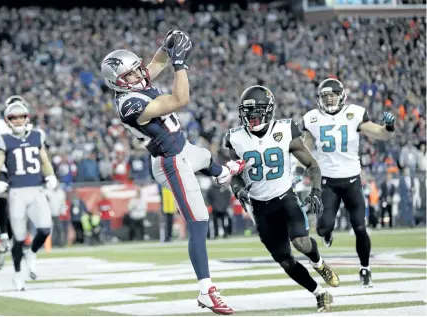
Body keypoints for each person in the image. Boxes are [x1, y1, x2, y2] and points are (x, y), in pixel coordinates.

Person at [100, 30, 243, 315]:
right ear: (117, 82)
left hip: (182, 149)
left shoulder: (135, 83)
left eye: (136, 69)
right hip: (170, 161)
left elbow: (157, 63)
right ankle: (206, 291)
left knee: (203, 156)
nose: (139, 75)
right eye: (130, 74)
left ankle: (221, 173)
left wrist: (167, 46)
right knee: (199, 221)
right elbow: (180, 99)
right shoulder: (129, 103)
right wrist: (181, 64)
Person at [226, 85, 339, 313]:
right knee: (285, 260)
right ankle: (319, 293)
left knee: (302, 243)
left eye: (256, 112)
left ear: (268, 111)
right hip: (259, 207)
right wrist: (238, 191)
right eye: (247, 113)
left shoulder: (286, 130)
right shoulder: (235, 138)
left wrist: (316, 191)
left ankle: (318, 263)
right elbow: (234, 175)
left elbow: (312, 165)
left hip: (285, 198)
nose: (251, 118)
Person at [300, 78, 396, 287]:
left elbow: (381, 134)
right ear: (319, 98)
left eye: (332, 95)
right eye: (325, 96)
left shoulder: (354, 114)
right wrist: (298, 168)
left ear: (341, 96)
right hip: (327, 182)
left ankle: (365, 269)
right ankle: (328, 232)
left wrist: (389, 126)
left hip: (352, 180)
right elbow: (303, 149)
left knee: (360, 227)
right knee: (323, 228)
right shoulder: (312, 118)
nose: (329, 99)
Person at [0, 100, 58, 291]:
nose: (18, 120)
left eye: (20, 117)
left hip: (36, 189)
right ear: (7, 120)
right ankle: (18, 273)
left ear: (27, 118)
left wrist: (51, 175)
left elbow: (44, 160)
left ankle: (32, 253)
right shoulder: (3, 139)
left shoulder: (37, 135)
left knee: (45, 229)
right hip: (17, 192)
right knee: (18, 237)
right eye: (14, 117)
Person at [0, 95, 32, 270]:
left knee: (19, 209)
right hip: (2, 170)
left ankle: (11, 239)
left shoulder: (29, 128)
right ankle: (4, 235)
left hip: (20, 172)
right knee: (3, 199)